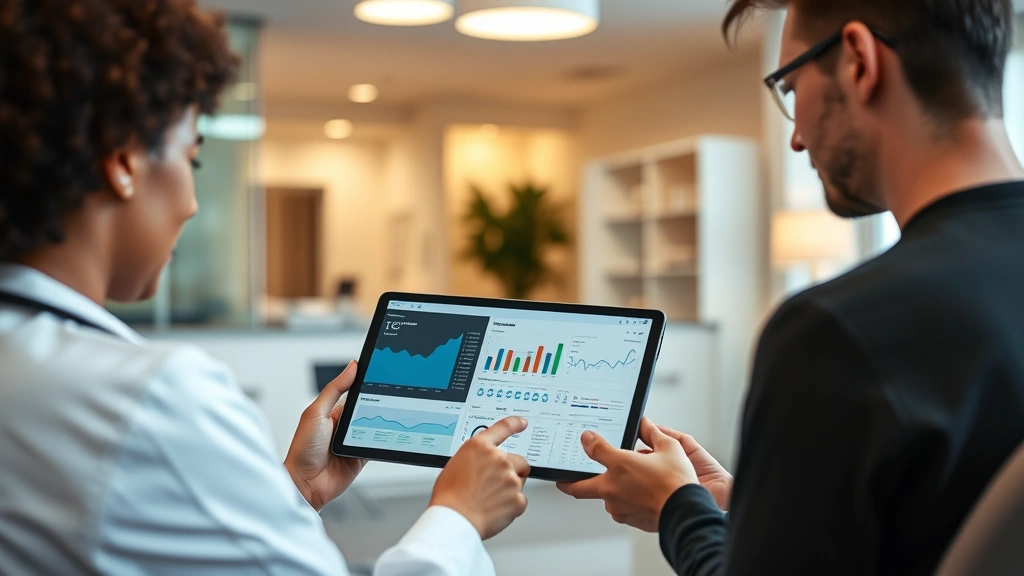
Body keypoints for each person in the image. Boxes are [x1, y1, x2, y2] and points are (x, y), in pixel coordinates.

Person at [0, 1, 530, 574]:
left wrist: (290, 494)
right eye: (191, 160)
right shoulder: (152, 398)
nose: (192, 204)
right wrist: (458, 516)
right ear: (125, 160)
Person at [558, 1, 1024, 575]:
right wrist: (748, 504)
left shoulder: (836, 332)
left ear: (859, 60)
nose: (797, 138)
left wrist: (678, 507)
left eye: (791, 86)